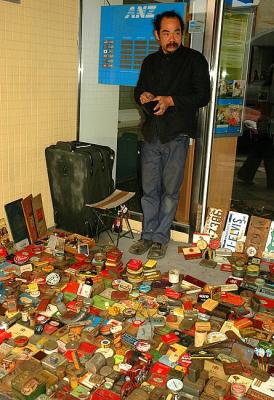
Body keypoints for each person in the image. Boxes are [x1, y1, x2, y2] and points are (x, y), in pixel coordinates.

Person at [129, 11, 211, 259]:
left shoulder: (195, 60)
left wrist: (171, 100)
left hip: (177, 135)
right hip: (152, 134)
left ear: (182, 33)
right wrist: (143, 97)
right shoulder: (149, 62)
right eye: (166, 33)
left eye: (176, 32)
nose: (172, 38)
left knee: (170, 191)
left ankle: (160, 238)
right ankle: (147, 235)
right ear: (157, 35)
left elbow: (203, 96)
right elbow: (139, 92)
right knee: (149, 190)